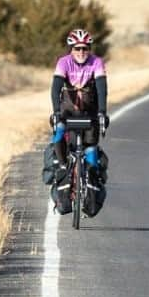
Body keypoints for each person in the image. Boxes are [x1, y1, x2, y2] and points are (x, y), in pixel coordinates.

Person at [46, 27, 109, 211]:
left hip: (89, 112)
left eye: (85, 48)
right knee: (58, 132)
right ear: (71, 49)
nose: (81, 52)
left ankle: (90, 182)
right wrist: (56, 111)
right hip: (68, 112)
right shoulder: (63, 63)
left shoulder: (97, 62)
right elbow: (55, 88)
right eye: (77, 48)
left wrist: (102, 112)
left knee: (91, 148)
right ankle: (64, 165)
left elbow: (102, 89)